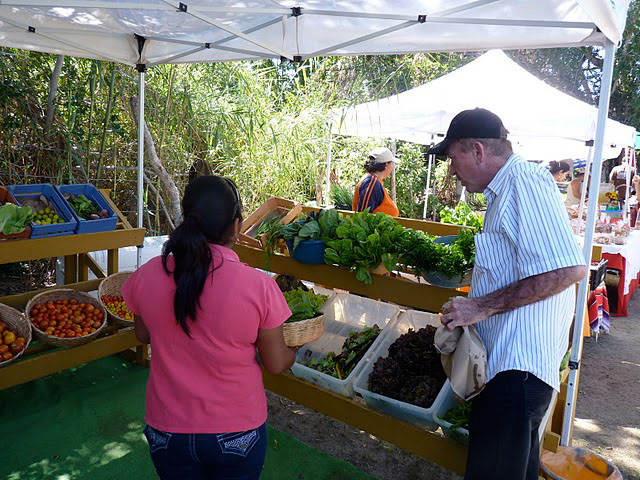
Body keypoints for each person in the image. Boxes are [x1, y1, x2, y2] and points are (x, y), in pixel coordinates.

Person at [429, 108, 587, 480]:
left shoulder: (523, 183)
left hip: (518, 373)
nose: (453, 170)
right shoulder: (507, 190)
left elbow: (569, 270)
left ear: (479, 151)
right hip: (511, 371)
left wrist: (479, 307)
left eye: (454, 158)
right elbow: (524, 266)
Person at [121, 175, 297, 480]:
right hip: (236, 430)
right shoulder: (258, 286)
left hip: (167, 429)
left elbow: (143, 334)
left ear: (186, 219)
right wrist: (295, 348)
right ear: (237, 225)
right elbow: (277, 363)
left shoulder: (146, 275)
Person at [352, 147, 400, 216]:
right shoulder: (371, 183)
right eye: (392, 163)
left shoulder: (375, 181)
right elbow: (363, 215)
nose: (392, 166)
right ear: (386, 164)